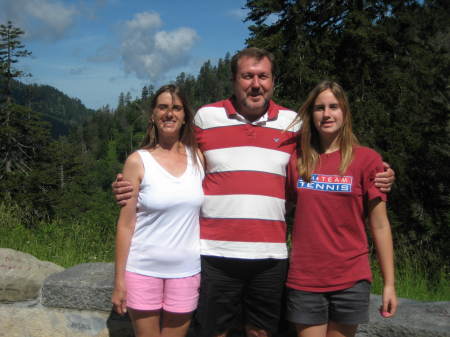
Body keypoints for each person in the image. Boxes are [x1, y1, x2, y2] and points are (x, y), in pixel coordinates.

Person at [112, 48, 395, 337]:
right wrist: (133, 182)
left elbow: (327, 157)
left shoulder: (293, 124)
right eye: (247, 76)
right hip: (215, 252)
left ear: (273, 81)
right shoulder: (206, 118)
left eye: (263, 76)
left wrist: (378, 172)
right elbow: (174, 158)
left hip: (269, 254)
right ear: (234, 80)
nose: (255, 84)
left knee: (261, 333)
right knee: (215, 332)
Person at [285, 81, 397, 337]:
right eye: (319, 108)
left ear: (344, 112)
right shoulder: (297, 160)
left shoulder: (367, 160)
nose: (327, 114)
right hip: (305, 278)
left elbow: (379, 225)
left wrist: (389, 284)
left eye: (333, 107)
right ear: (310, 115)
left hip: (350, 277)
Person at [111, 84, 204, 337]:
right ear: (153, 114)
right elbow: (125, 225)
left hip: (186, 271)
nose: (169, 114)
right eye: (163, 107)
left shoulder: (199, 159)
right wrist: (119, 281)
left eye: (176, 108)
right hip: (143, 270)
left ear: (185, 116)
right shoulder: (137, 161)